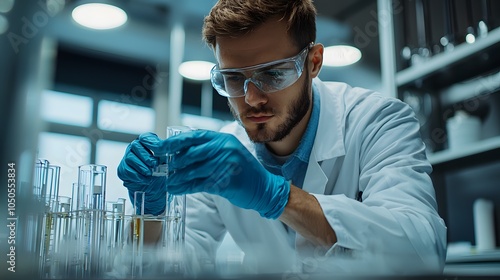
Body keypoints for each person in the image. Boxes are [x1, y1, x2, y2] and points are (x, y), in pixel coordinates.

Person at [117, 0, 447, 276]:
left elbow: (422, 251)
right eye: (233, 79)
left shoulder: (377, 121)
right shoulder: (222, 159)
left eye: (273, 73)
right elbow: (173, 268)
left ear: (313, 62)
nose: (252, 98)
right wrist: (151, 214)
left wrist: (276, 196)